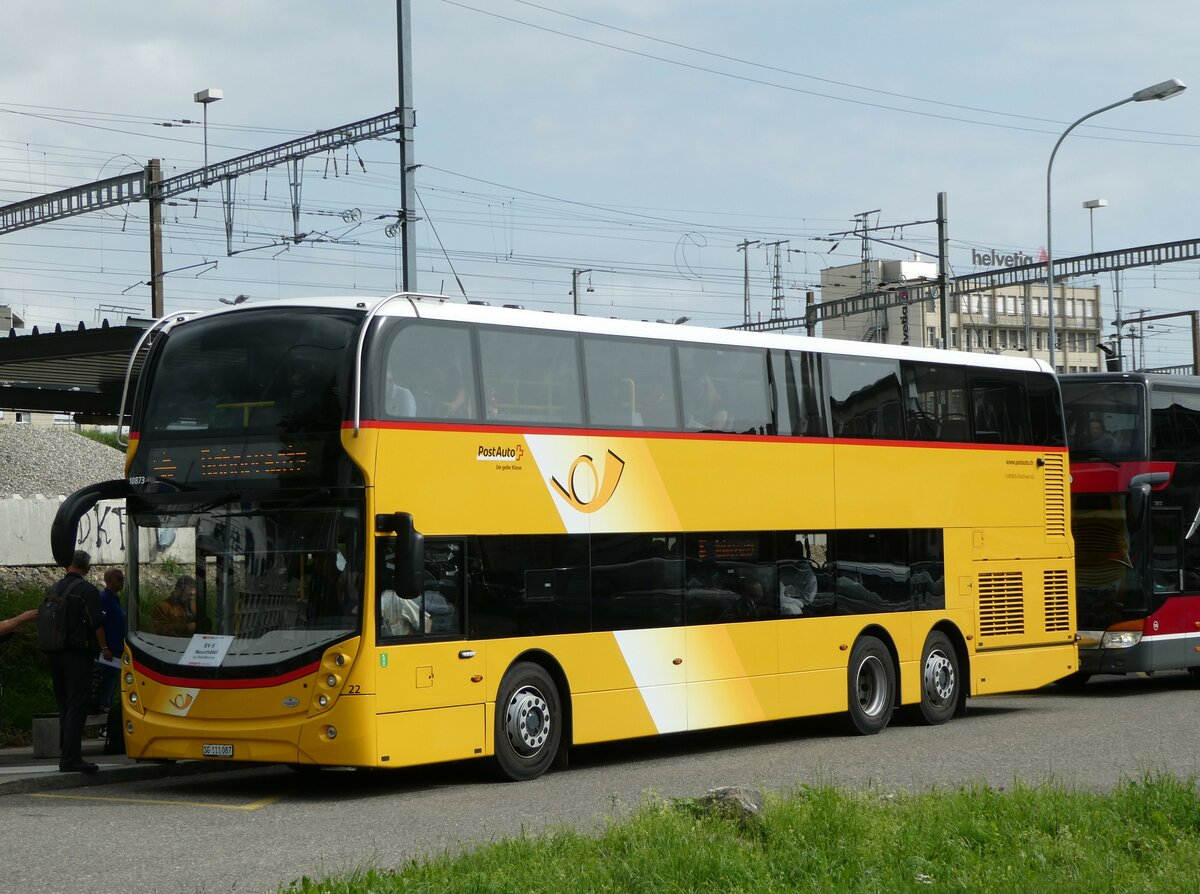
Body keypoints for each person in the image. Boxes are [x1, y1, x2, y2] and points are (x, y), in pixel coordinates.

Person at [42, 550, 109, 774]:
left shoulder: (54, 588)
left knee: (64, 704)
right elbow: (96, 622)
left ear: (68, 565)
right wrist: (105, 648)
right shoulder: (86, 590)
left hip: (54, 652)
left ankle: (66, 752)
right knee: (76, 705)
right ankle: (71, 758)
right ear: (87, 568)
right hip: (77, 655)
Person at [95, 568, 126, 712]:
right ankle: (103, 707)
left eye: (123, 578)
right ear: (109, 581)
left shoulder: (115, 599)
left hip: (118, 648)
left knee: (113, 681)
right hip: (109, 650)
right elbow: (98, 625)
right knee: (107, 681)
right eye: (119, 579)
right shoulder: (104, 599)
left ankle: (107, 705)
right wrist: (104, 647)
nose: (122, 581)